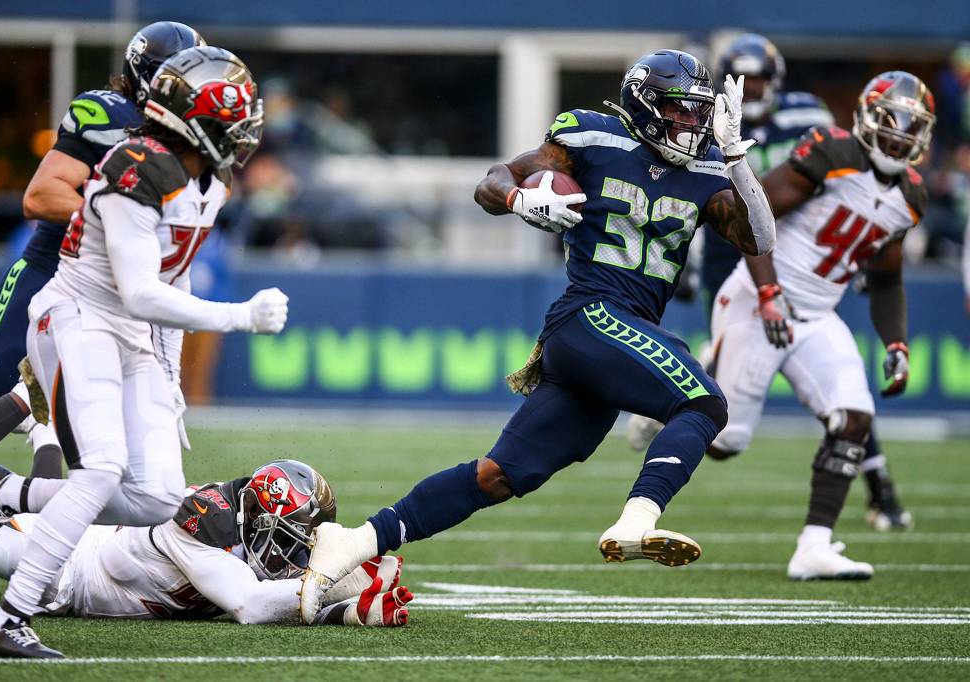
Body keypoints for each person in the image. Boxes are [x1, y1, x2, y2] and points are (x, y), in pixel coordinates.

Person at [295, 49, 777, 623]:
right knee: (703, 401)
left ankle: (354, 541)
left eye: (699, 112)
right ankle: (638, 519)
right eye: (680, 110)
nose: (692, 124)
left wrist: (737, 160)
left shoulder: (710, 170)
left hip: (613, 340)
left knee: (498, 476)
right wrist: (520, 198)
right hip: (591, 316)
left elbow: (760, 240)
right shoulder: (592, 137)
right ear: (646, 106)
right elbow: (493, 180)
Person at [0, 45, 286, 659]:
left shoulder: (211, 181)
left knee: (158, 496)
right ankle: (9, 619)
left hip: (129, 333)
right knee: (102, 469)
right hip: (75, 318)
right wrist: (240, 316)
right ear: (196, 121)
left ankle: (7, 494)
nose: (243, 133)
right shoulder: (135, 167)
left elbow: (175, 278)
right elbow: (140, 291)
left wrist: (169, 380)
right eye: (232, 120)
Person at [628, 34, 913, 532]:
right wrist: (690, 257)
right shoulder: (702, 113)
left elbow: (848, 185)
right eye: (746, 78)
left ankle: (878, 486)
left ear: (776, 81)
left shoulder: (808, 117)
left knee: (845, 391)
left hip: (796, 254)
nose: (754, 88)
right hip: (729, 246)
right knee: (728, 423)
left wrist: (861, 240)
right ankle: (692, 385)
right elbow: (688, 186)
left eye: (761, 79)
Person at [0, 22, 205, 485]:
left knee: (123, 470)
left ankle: (31, 455)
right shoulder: (111, 116)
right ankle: (31, 418)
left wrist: (171, 380)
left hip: (118, 303)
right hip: (48, 278)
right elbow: (40, 196)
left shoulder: (190, 148)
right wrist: (119, 217)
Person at [707, 72, 934, 579]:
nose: (900, 136)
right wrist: (769, 292)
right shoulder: (833, 153)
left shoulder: (911, 196)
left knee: (854, 417)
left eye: (911, 126)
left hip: (817, 315)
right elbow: (752, 216)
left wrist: (896, 343)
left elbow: (886, 279)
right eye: (892, 121)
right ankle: (681, 397)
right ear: (866, 118)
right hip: (758, 299)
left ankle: (814, 547)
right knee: (725, 442)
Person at [0, 460, 412, 627]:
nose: (297, 557)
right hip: (69, 566)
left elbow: (268, 594)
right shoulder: (205, 522)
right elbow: (250, 605)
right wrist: (336, 584)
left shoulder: (243, 519)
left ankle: (36, 438)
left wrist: (349, 611)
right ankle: (30, 422)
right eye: (289, 541)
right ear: (260, 520)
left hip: (95, 540)